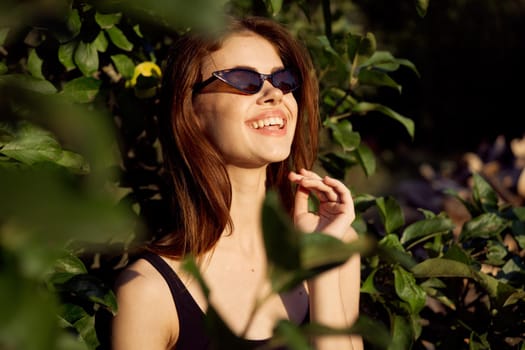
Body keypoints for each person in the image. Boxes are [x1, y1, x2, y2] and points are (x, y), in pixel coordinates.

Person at [111, 15, 363, 350]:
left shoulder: (336, 243)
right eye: (243, 80)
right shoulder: (148, 293)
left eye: (284, 80)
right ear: (191, 111)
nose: (274, 93)